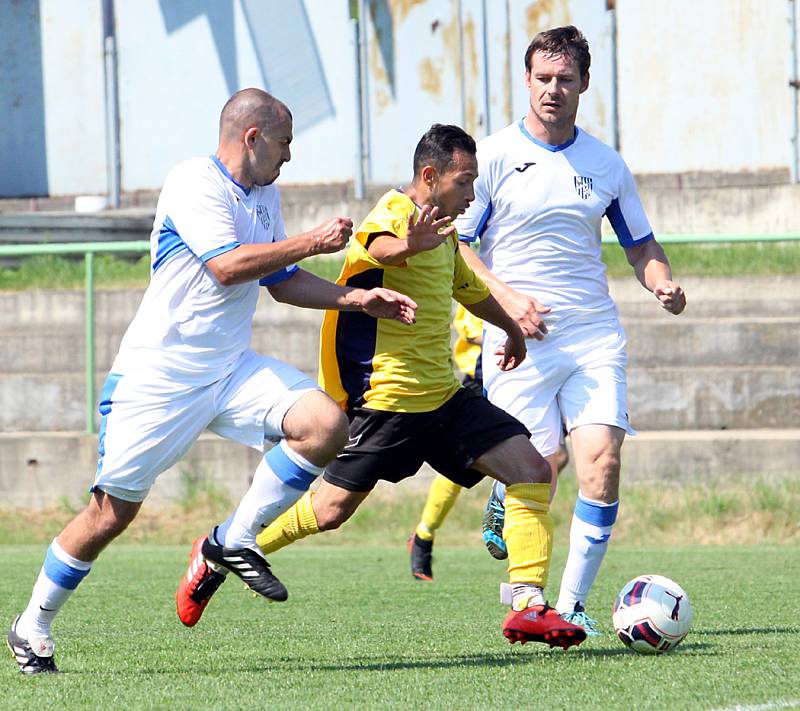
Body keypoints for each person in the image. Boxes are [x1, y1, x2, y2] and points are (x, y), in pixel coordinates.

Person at [7, 88, 418, 675]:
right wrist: (313, 239)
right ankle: (32, 624)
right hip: (161, 376)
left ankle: (231, 539)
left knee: (325, 425)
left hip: (230, 368)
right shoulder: (192, 181)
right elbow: (226, 266)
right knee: (109, 515)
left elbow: (281, 278)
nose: (289, 156)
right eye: (285, 143)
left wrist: (357, 299)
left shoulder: (264, 193)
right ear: (252, 138)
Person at [182, 123, 587, 649]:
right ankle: (225, 546)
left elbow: (468, 289)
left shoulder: (446, 231)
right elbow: (380, 248)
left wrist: (511, 328)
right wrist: (410, 243)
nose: (471, 194)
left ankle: (528, 605)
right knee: (328, 513)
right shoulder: (394, 212)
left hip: (444, 398)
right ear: (429, 175)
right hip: (384, 401)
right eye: (464, 182)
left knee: (532, 469)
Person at [454, 26, 686, 636]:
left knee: (602, 463)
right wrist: (506, 300)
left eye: (564, 79)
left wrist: (660, 281)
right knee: (539, 463)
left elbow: (642, 245)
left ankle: (571, 603)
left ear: (583, 84)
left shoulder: (606, 165)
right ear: (526, 81)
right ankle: (524, 586)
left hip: (592, 335)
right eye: (542, 78)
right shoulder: (494, 156)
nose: (552, 90)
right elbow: (459, 247)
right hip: (514, 340)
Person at [408, 307, 570, 580]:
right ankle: (424, 535)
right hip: (489, 370)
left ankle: (511, 514)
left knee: (555, 458)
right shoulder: (486, 272)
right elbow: (470, 328)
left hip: (538, 364)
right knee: (469, 463)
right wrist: (513, 333)